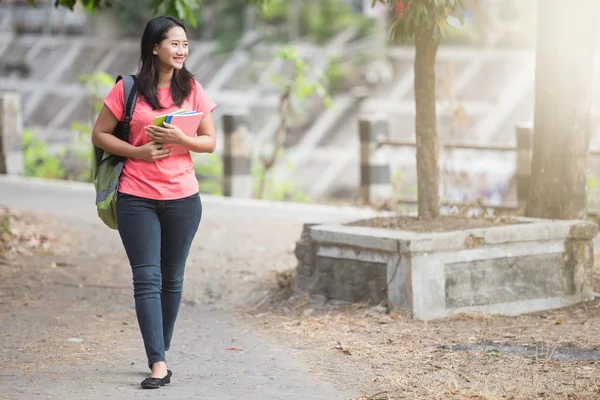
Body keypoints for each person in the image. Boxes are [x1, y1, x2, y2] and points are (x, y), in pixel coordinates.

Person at [91, 15, 217, 389]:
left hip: (183, 198)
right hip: (136, 197)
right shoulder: (127, 89)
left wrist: (183, 138)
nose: (181, 50)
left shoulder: (192, 88)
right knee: (147, 279)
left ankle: (160, 347)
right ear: (154, 47)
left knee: (172, 279)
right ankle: (157, 362)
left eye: (185, 44)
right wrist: (137, 152)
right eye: (174, 43)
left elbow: (210, 142)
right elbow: (99, 134)